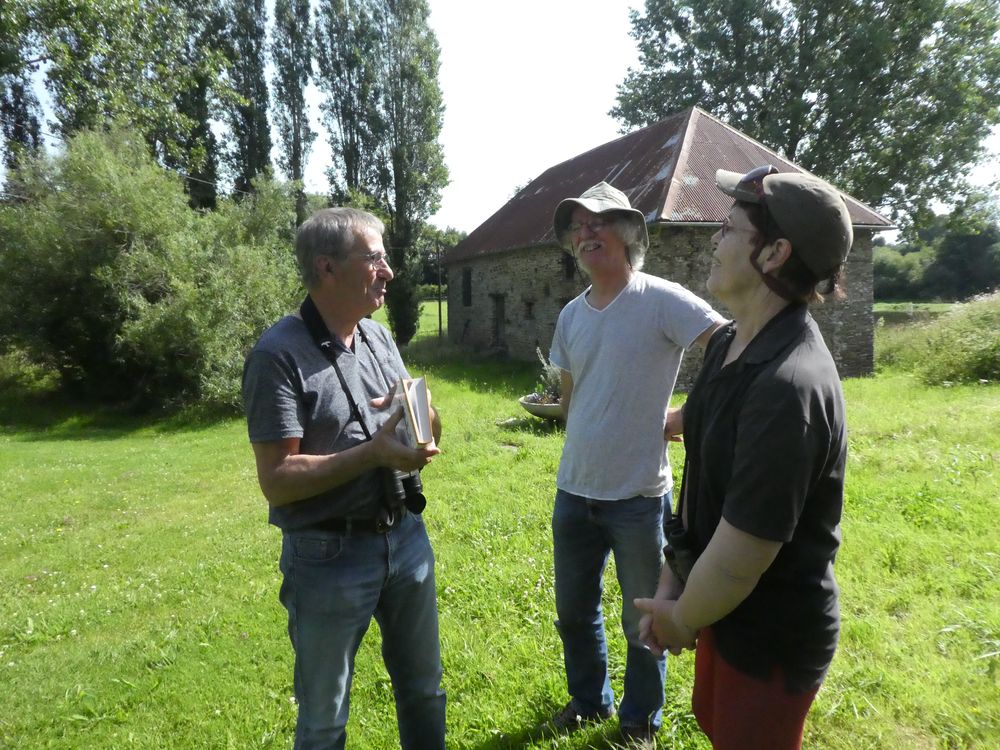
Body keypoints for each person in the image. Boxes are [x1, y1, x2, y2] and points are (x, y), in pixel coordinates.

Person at [634, 166, 852, 750]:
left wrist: (679, 617)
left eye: (729, 228)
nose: (713, 238)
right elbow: (703, 473)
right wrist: (672, 584)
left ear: (775, 253)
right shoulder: (732, 342)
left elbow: (741, 557)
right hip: (722, 611)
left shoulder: (788, 388)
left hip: (770, 638)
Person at [242, 207, 446, 750]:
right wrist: (374, 454)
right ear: (327, 268)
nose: (389, 271)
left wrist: (423, 421)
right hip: (326, 555)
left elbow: (416, 415)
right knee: (324, 719)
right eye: (374, 257)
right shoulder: (277, 355)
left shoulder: (377, 338)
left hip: (405, 539)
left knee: (425, 691)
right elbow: (277, 479)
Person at [546, 182, 723, 746]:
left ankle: (639, 720)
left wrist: (692, 413)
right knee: (574, 612)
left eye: (596, 223)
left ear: (627, 233)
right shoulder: (572, 315)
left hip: (639, 497)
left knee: (644, 619)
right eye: (577, 227)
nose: (585, 234)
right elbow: (570, 399)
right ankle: (587, 700)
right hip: (574, 491)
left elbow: (734, 344)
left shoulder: (660, 299)